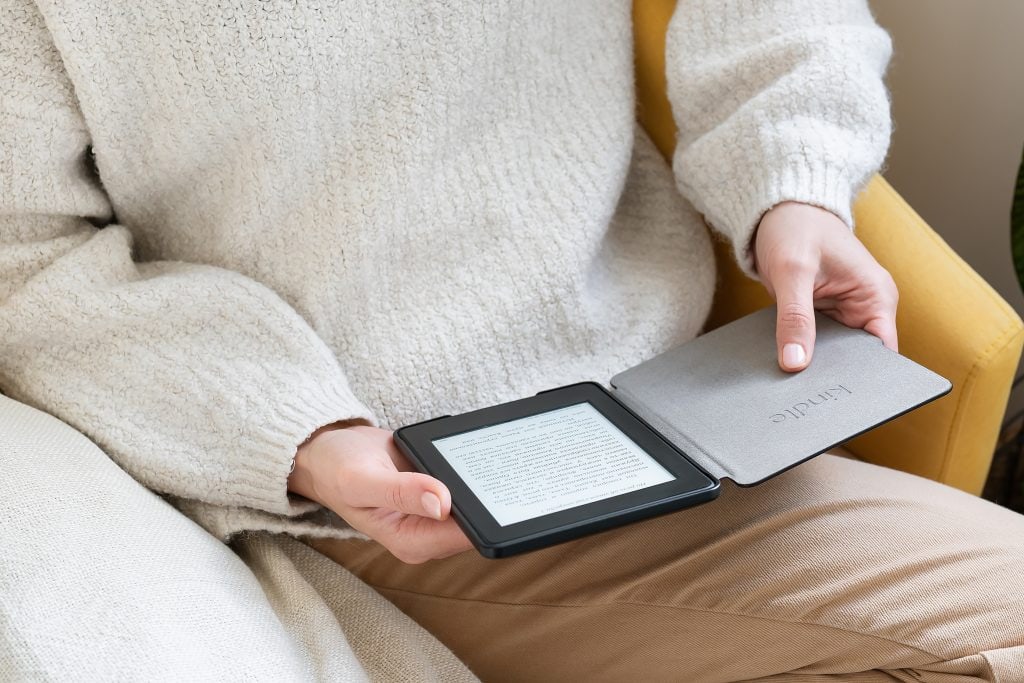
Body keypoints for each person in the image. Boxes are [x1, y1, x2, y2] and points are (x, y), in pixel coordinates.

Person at [1, 0, 1022, 680]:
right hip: (395, 487)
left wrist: (791, 186)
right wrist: (296, 432)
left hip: (664, 396)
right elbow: (27, 254)